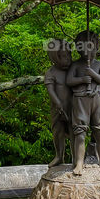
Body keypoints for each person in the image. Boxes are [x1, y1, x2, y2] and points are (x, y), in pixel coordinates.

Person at [66, 30, 100, 175]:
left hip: (97, 99)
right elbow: (69, 81)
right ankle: (79, 163)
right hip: (81, 100)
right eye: (85, 48)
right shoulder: (76, 65)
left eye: (92, 47)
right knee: (80, 133)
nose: (89, 51)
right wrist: (81, 80)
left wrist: (92, 74)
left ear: (97, 47)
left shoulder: (98, 64)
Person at [44, 39, 72, 168]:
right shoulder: (51, 73)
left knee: (75, 132)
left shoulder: (73, 70)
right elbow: (50, 90)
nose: (66, 60)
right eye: (62, 57)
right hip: (57, 108)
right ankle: (59, 156)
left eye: (68, 56)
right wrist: (57, 103)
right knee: (58, 132)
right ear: (54, 57)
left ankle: (77, 158)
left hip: (73, 107)